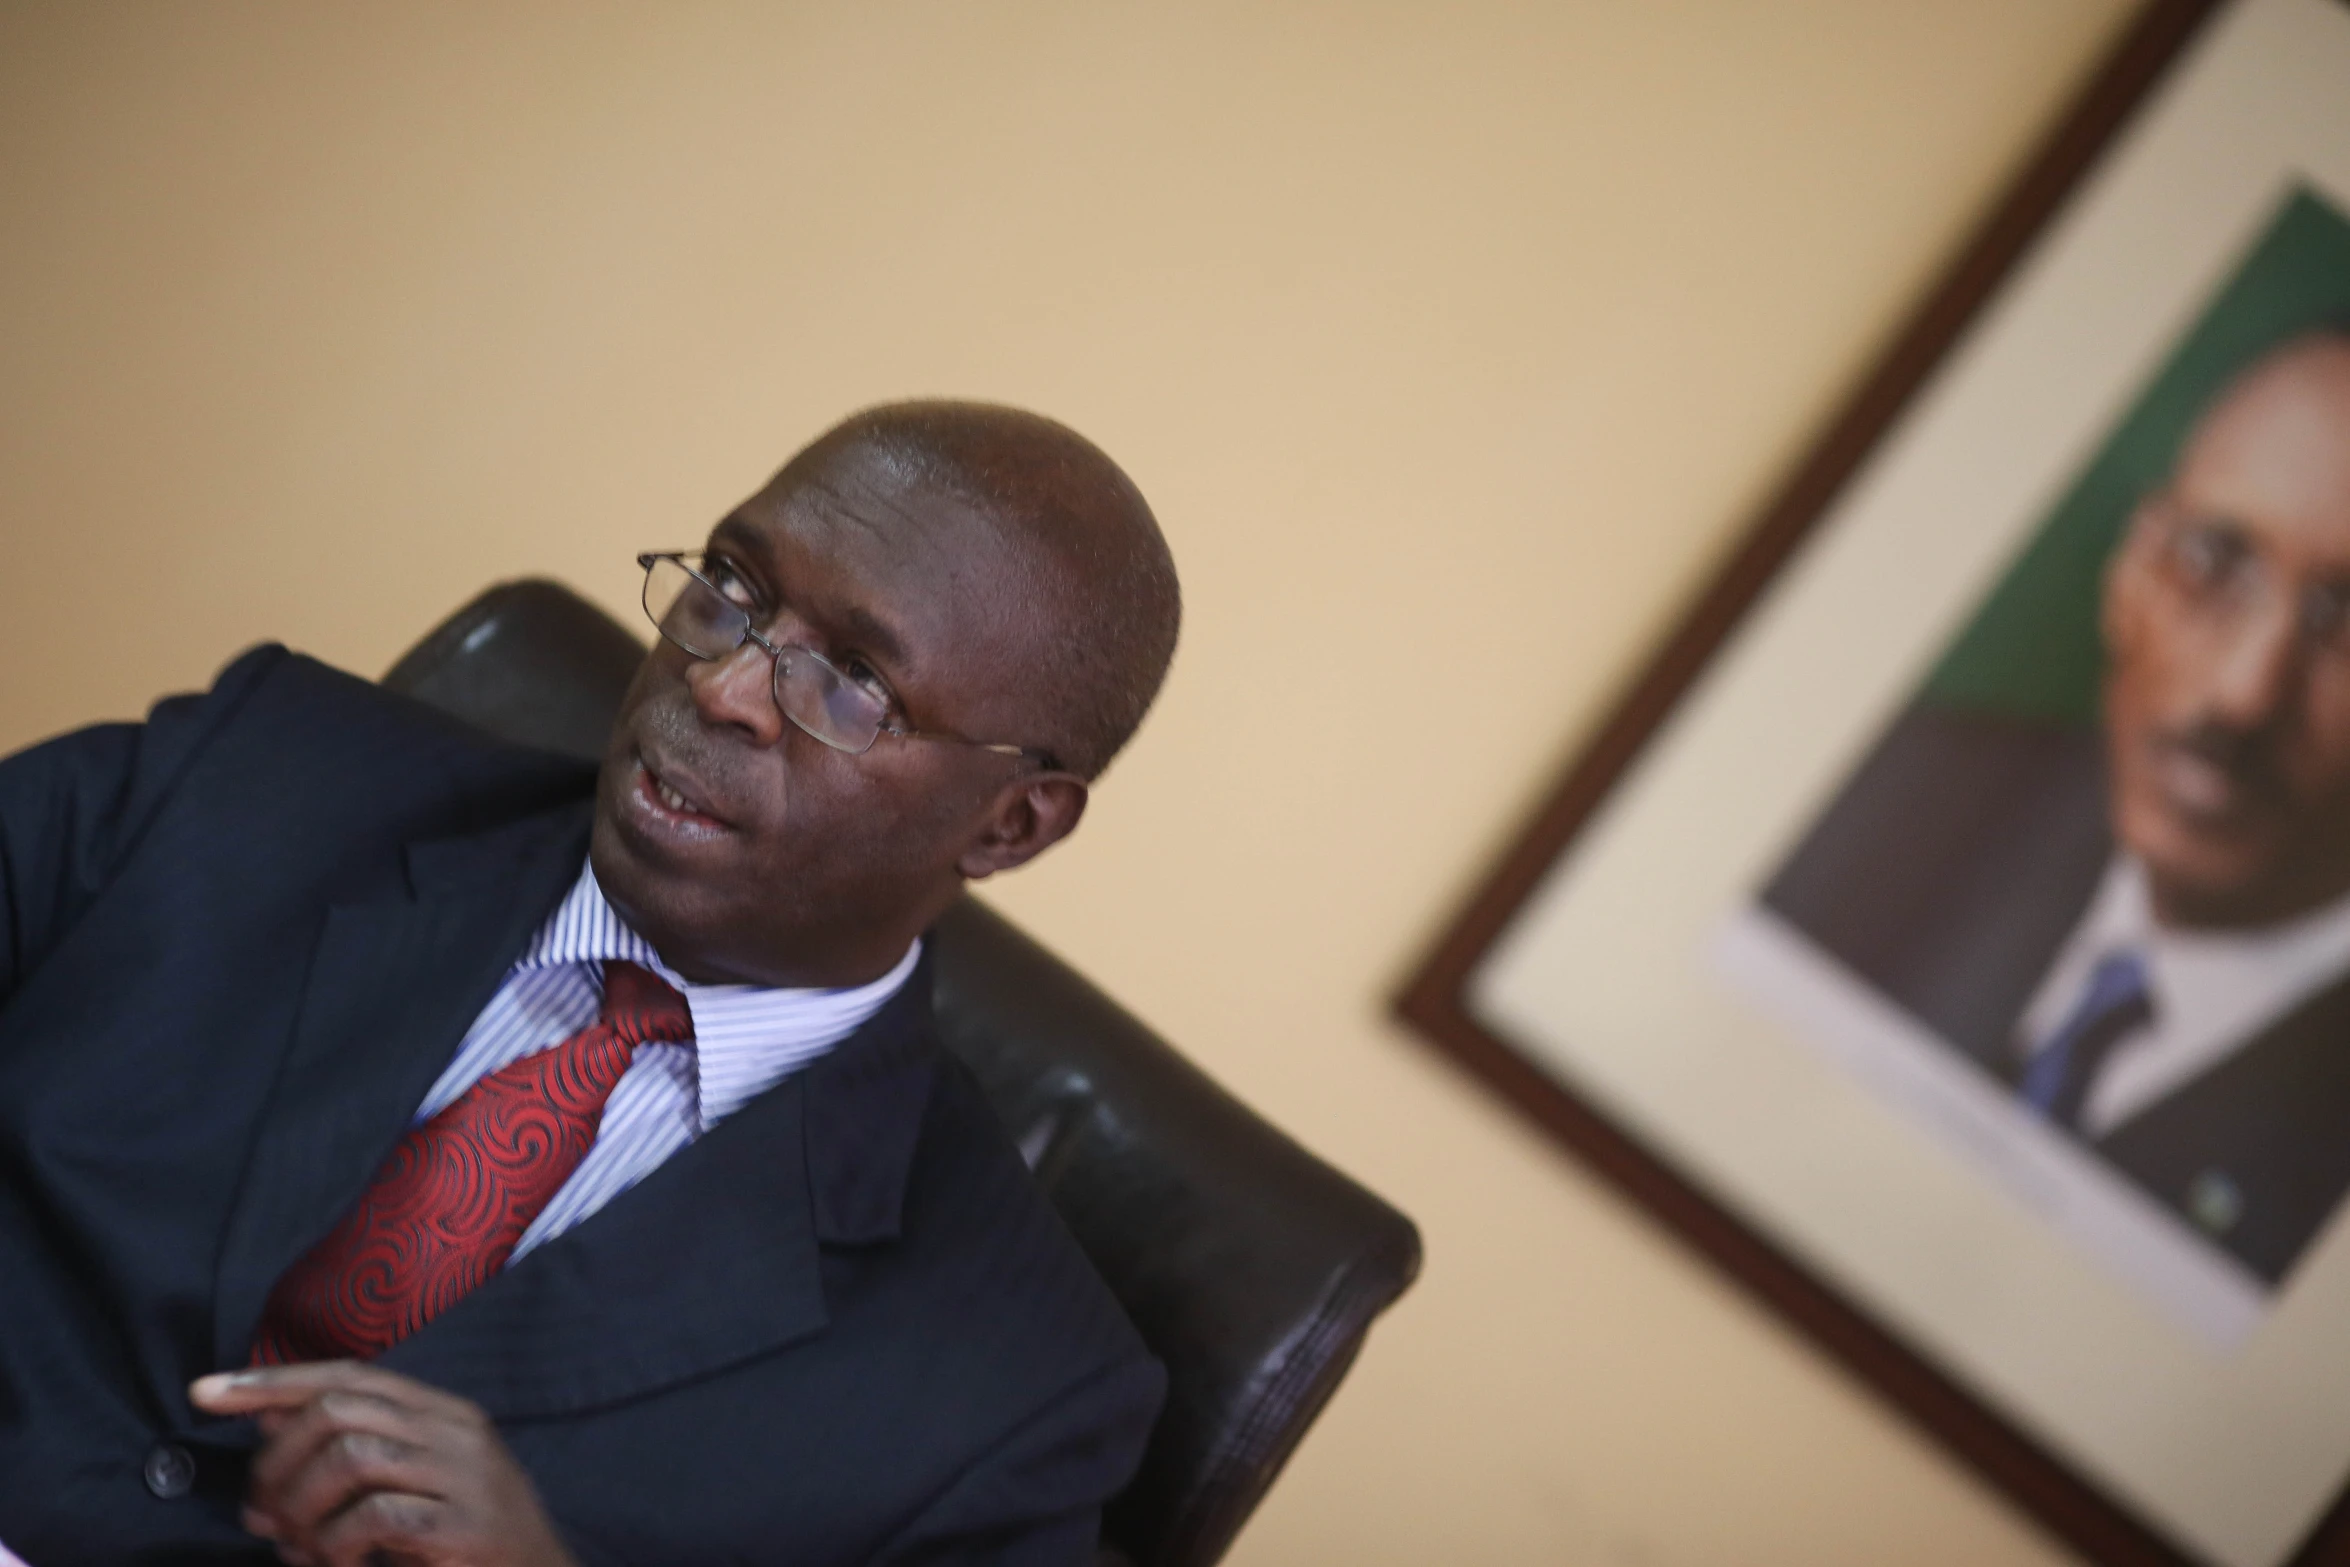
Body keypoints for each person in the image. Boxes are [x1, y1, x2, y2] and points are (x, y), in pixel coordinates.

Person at [0, 400, 1181, 1565]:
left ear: (1011, 824)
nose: (721, 685)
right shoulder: (262, 770)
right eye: (736, 587)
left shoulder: (1016, 1391)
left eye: (855, 683)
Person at [1764, 329, 2350, 1287]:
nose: (2247, 692)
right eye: (2215, 560)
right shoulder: (1892, 797)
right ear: (2131, 571)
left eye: (2349, 624)